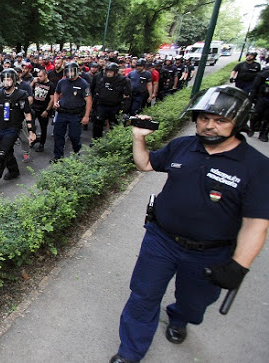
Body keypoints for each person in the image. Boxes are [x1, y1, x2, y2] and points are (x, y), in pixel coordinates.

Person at [110, 85, 269, 363]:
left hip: (210, 253)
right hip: (161, 240)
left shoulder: (256, 167)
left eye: (220, 120)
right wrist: (139, 138)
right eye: (204, 118)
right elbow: (145, 164)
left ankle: (180, 318)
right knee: (142, 296)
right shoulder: (182, 146)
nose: (210, 126)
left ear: (238, 123)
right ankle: (130, 352)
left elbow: (256, 223)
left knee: (194, 304)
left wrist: (239, 266)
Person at [0, 69, 35, 193]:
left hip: (13, 128)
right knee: (7, 151)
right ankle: (14, 171)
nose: (6, 82)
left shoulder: (21, 95)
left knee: (2, 154)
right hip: (0, 128)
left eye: (8, 79)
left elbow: (27, 114)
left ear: (14, 80)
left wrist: (31, 131)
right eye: (4, 79)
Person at [51, 62, 92, 163]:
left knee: (74, 136)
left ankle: (76, 152)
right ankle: (58, 157)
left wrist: (86, 116)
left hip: (75, 114)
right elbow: (56, 92)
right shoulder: (62, 82)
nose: (69, 73)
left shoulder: (83, 83)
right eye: (68, 71)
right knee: (58, 135)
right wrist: (55, 102)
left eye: (72, 71)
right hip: (62, 113)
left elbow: (89, 100)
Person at [92, 62, 131, 139]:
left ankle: (112, 141)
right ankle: (96, 140)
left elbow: (127, 96)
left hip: (115, 106)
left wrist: (125, 110)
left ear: (115, 72)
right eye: (107, 72)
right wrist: (94, 106)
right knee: (97, 124)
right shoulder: (102, 80)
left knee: (114, 125)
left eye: (110, 72)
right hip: (102, 105)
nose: (108, 74)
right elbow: (96, 92)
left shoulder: (123, 81)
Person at [30, 69, 56, 152]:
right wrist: (33, 82)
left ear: (46, 76)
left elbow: (52, 99)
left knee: (43, 127)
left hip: (43, 109)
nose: (39, 78)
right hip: (34, 108)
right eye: (38, 76)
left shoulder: (50, 85)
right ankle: (33, 140)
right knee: (31, 126)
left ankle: (42, 143)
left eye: (41, 76)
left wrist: (47, 110)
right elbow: (29, 89)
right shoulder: (37, 82)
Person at [249, 65, 269, 142]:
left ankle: (264, 134)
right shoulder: (264, 74)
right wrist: (251, 100)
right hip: (262, 97)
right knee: (257, 114)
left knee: (267, 117)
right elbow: (255, 87)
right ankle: (252, 128)